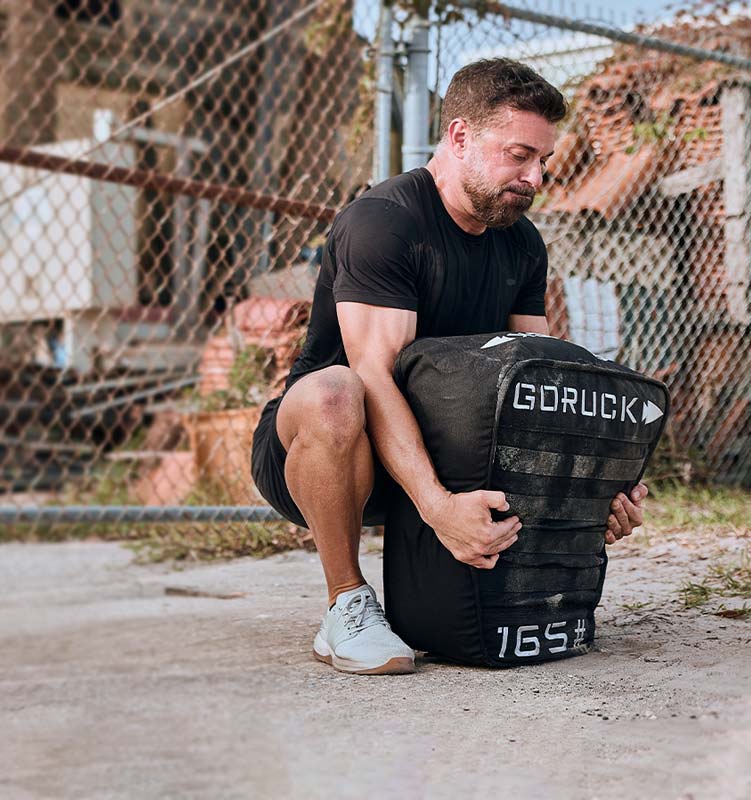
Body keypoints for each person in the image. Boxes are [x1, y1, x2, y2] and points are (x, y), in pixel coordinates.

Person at [249, 59, 649, 674]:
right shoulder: (383, 222)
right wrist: (437, 508)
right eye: (519, 156)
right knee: (338, 390)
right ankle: (346, 604)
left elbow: (540, 379)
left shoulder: (521, 243)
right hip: (329, 450)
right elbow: (375, 377)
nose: (535, 177)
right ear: (460, 136)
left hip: (445, 450)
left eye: (543, 161)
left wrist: (593, 492)